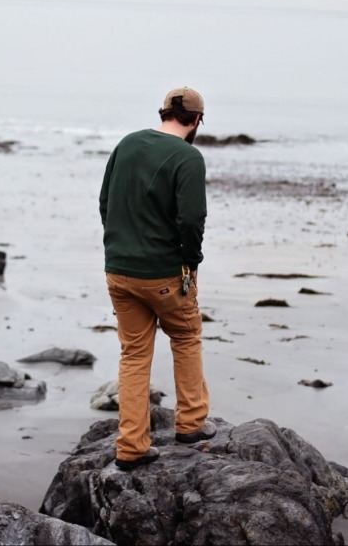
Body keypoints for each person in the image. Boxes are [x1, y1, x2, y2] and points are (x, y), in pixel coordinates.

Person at [99, 86, 215, 470]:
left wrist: (121, 245)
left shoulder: (127, 144)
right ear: (197, 120)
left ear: (162, 112)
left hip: (118, 270)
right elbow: (191, 219)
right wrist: (191, 261)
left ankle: (131, 447)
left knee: (133, 354)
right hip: (164, 274)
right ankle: (191, 425)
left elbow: (105, 202)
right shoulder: (188, 157)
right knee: (185, 336)